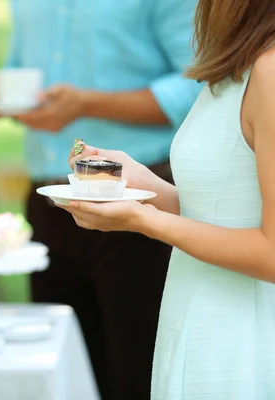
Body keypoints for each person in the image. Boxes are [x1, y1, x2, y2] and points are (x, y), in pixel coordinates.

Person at [0, 2, 202, 399]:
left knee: (135, 372)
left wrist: (88, 104)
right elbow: (17, 71)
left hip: (140, 199)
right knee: (59, 371)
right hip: (49, 203)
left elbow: (199, 84)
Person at [61, 1, 275, 398]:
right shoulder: (237, 67)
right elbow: (223, 211)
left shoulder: (270, 70)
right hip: (193, 320)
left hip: (239, 341)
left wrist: (143, 220)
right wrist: (141, 185)